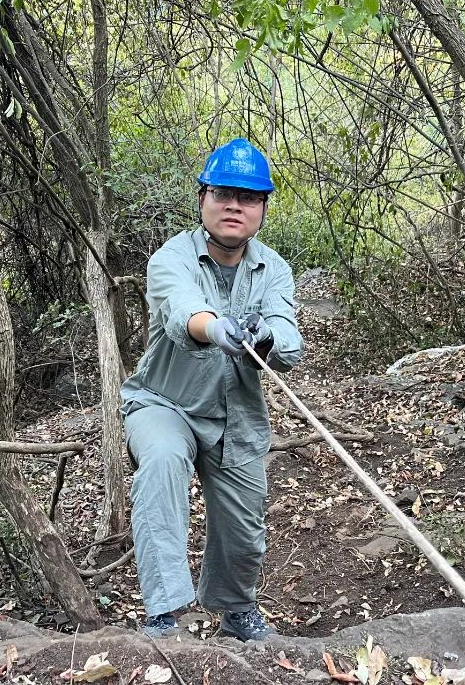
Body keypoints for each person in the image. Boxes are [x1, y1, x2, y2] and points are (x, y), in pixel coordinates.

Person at [121, 137, 304, 641]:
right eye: (223, 193)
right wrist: (216, 328)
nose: (234, 206)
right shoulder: (170, 258)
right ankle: (165, 612)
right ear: (203, 197)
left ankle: (234, 608)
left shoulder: (274, 269)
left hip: (236, 416)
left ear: (262, 208)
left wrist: (265, 336)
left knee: (244, 531)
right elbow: (181, 309)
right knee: (161, 463)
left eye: (248, 198)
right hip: (164, 404)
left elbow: (290, 342)